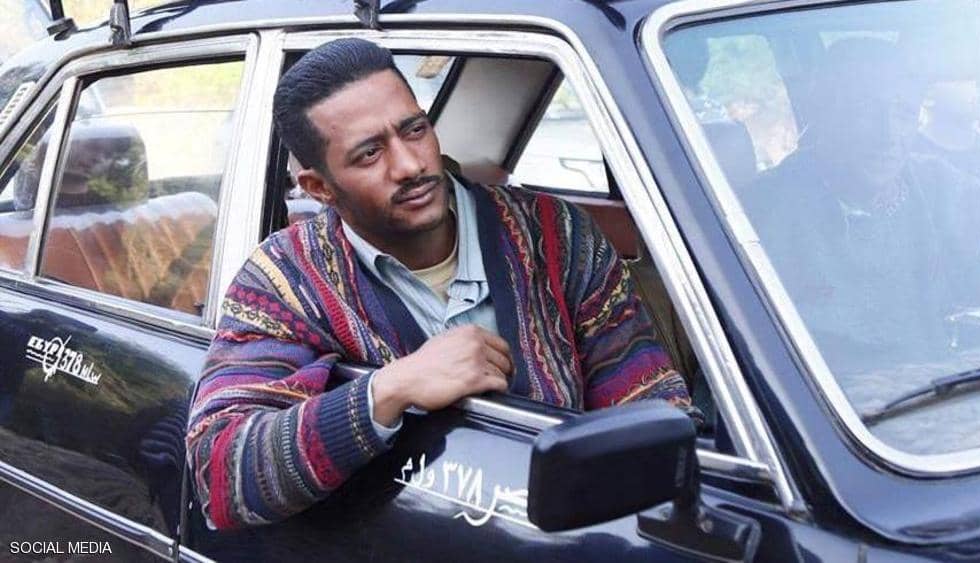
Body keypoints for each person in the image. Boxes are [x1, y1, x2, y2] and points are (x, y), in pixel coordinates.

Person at [185, 38, 698, 530]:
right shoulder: (286, 279)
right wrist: (390, 389)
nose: (411, 165)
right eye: (370, 154)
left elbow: (649, 400)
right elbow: (220, 474)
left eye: (414, 130)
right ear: (319, 188)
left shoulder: (555, 234)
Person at [743, 37, 980, 372]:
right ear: (825, 113)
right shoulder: (761, 213)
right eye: (865, 109)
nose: (888, 135)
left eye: (904, 114)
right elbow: (755, 362)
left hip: (949, 389)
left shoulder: (941, 187)